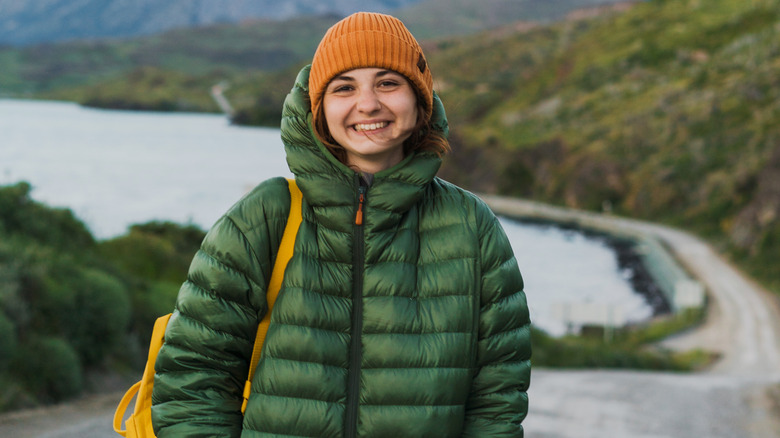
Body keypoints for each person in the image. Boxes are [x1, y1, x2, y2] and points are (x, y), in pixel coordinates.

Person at [151, 11, 531, 437]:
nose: (367, 104)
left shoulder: (471, 224)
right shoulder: (267, 214)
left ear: (419, 98)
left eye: (388, 83)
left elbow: (498, 400)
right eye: (344, 88)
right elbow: (193, 379)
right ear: (318, 108)